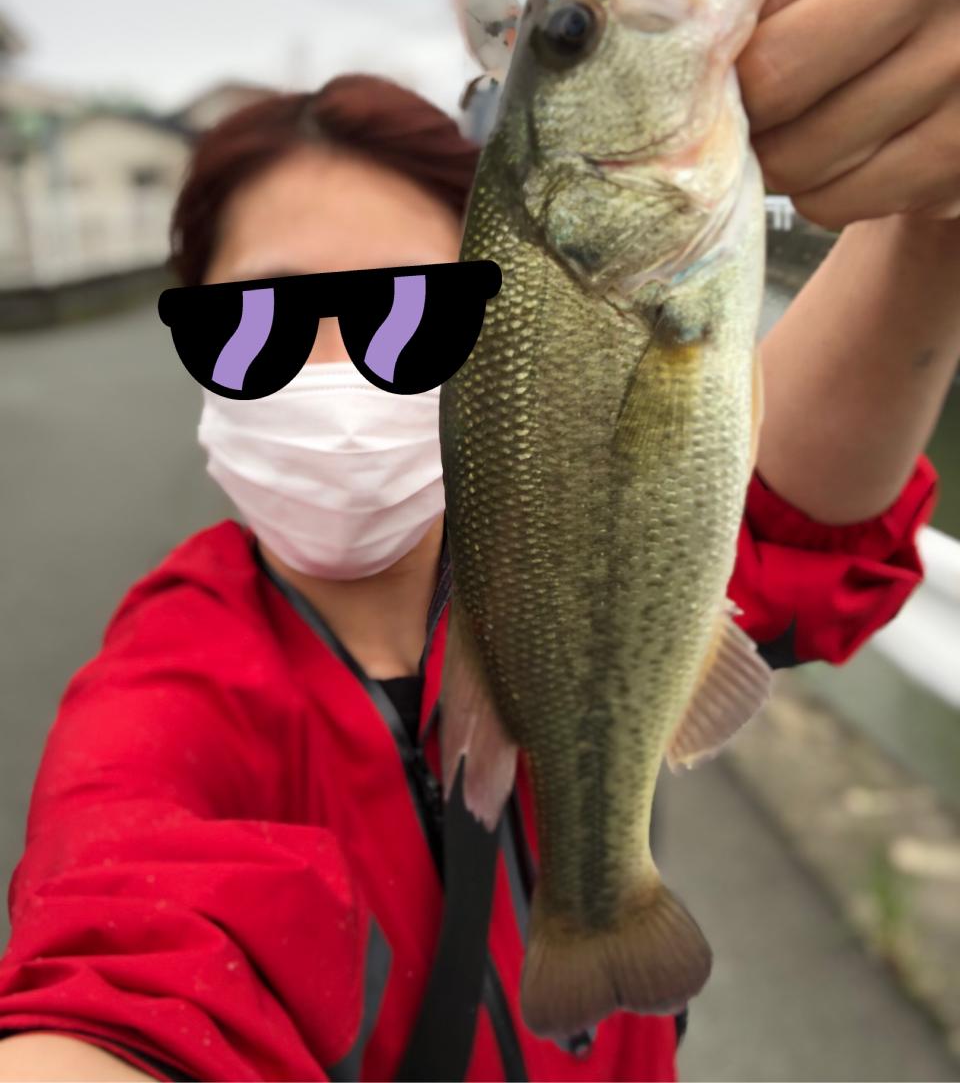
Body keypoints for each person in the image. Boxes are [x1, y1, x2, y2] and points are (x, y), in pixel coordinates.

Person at [0, 69, 946, 1083]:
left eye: (411, 313)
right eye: (256, 324)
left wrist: (933, 201)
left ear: (505, 330)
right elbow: (116, 962)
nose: (335, 371)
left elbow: (790, 523)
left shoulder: (585, 538)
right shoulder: (163, 695)